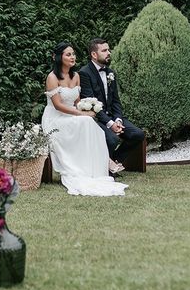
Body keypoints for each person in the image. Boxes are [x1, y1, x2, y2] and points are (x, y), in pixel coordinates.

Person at [41, 42, 128, 196]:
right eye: (68, 54)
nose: (72, 57)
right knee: (85, 121)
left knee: (89, 122)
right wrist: (81, 114)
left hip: (73, 115)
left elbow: (77, 102)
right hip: (56, 118)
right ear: (59, 57)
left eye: (73, 54)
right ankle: (102, 163)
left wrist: (88, 108)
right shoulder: (52, 77)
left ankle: (96, 166)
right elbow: (58, 106)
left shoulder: (75, 76)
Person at [79, 39, 145, 172]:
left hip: (112, 118)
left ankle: (114, 161)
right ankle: (105, 169)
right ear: (94, 55)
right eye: (104, 50)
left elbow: (116, 101)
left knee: (138, 134)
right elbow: (90, 105)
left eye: (108, 50)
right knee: (112, 140)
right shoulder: (84, 73)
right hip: (96, 119)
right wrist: (110, 124)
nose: (109, 53)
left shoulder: (111, 73)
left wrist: (118, 120)